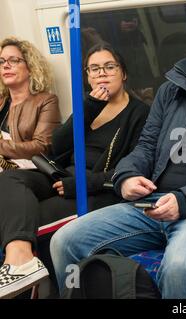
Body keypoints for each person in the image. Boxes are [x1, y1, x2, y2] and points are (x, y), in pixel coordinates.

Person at [50, 7, 186, 298]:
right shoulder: (172, 91)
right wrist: (127, 177)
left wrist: (184, 200)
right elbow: (146, 146)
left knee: (179, 266)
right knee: (65, 241)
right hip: (152, 205)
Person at [0, 43, 150, 298]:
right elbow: (57, 146)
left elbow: (135, 167)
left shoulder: (140, 113)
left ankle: (49, 288)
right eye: (94, 69)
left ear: (123, 73)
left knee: (38, 215)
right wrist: (89, 107)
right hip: (62, 176)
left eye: (109, 67)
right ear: (88, 76)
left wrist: (81, 183)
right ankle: (21, 260)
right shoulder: (88, 106)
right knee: (9, 180)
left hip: (98, 189)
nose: (101, 73)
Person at [0, 37, 61, 170]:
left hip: (29, 171)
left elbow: (41, 147)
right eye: (1, 61)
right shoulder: (2, 101)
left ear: (31, 68)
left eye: (14, 60)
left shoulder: (47, 101)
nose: (5, 65)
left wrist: (2, 146)